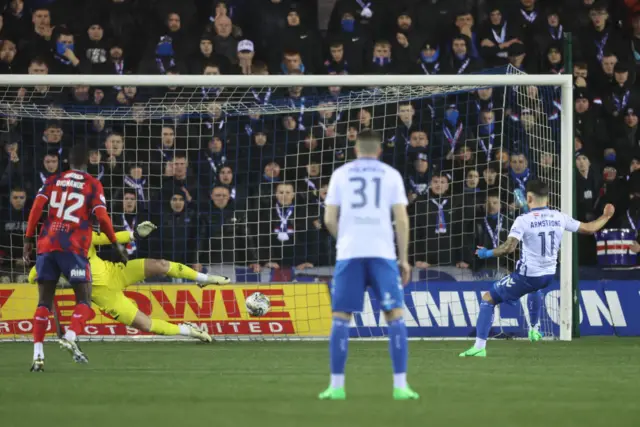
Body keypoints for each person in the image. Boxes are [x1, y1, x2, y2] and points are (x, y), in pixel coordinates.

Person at [460, 179, 615, 357]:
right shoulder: (559, 216)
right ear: (547, 199)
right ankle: (534, 328)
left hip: (528, 275)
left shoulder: (523, 220)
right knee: (535, 289)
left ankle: (479, 347)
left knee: (488, 298)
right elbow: (589, 228)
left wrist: (486, 253)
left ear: (528, 197)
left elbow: (508, 248)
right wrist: (606, 216)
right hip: (549, 274)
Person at [319, 130, 418, 401]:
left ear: (355, 150)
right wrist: (404, 258)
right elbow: (402, 219)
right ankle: (401, 386)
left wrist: (345, 239)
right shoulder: (390, 175)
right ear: (379, 151)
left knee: (341, 318)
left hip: (350, 254)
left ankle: (336, 387)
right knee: (395, 316)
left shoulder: (340, 174)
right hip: (381, 253)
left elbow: (329, 219)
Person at [28, 224, 230, 343]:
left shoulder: (81, 235)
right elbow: (33, 276)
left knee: (159, 264)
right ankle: (188, 331)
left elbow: (107, 237)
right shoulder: (49, 256)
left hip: (116, 272)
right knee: (146, 324)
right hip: (106, 297)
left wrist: (134, 234)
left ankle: (204, 279)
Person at [23, 145, 127, 371]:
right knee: (84, 300)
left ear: (67, 162)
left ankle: (38, 355)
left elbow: (35, 209)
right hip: (73, 248)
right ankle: (70, 335)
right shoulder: (92, 184)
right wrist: (115, 243)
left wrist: (28, 239)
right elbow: (102, 217)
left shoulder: (53, 180)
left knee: (43, 302)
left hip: (47, 245)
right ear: (87, 162)